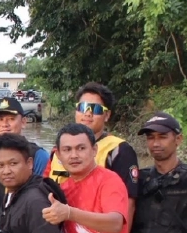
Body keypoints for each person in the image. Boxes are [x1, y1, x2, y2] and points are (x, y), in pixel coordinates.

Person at [47, 82, 139, 221]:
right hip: (61, 232)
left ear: (107, 115)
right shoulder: (57, 151)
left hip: (99, 232)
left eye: (95, 109)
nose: (88, 113)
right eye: (83, 107)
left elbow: (128, 204)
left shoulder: (118, 150)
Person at [0, 96, 50, 227]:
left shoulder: (38, 155)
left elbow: (43, 199)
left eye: (11, 119)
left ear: (23, 122)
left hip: (21, 230)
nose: (4, 124)